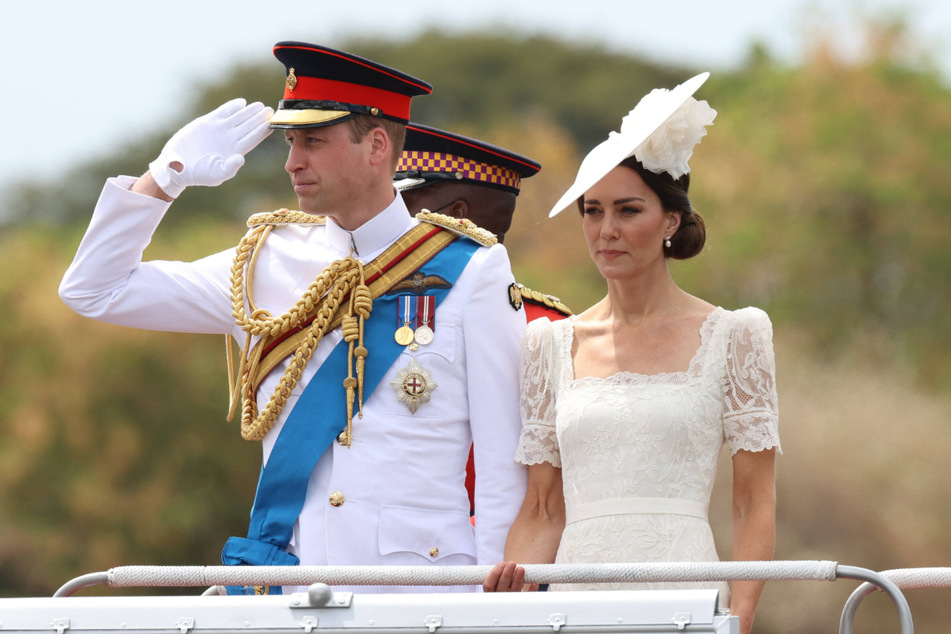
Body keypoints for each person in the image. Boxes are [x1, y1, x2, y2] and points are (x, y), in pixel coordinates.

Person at [59, 41, 528, 595]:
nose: (292, 162)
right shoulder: (260, 261)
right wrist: (167, 176)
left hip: (419, 594)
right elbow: (94, 289)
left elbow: (504, 464)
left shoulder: (473, 269)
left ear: (377, 145)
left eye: (313, 141)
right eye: (289, 141)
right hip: (286, 589)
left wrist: (494, 612)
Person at [484, 73, 780, 634]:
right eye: (592, 211)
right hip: (576, 603)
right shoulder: (548, 344)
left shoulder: (736, 334)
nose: (606, 230)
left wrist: (739, 616)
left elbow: (752, 501)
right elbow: (543, 510)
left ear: (670, 220)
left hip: (687, 599)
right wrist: (509, 610)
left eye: (627, 210)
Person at [394, 123, 572, 514]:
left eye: (404, 207)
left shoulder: (550, 326)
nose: (392, 222)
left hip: (507, 552)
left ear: (456, 217)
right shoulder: (381, 310)